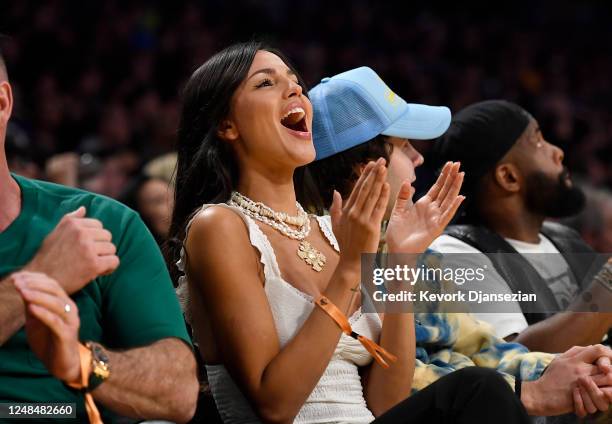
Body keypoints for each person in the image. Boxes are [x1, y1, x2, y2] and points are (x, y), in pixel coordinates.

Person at [169, 41, 536, 424]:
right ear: (226, 125)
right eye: (266, 83)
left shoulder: (331, 231)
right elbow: (274, 405)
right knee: (479, 392)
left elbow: (386, 404)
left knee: (479, 391)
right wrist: (347, 271)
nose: (295, 90)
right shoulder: (221, 226)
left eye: (295, 82)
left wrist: (401, 268)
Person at [304, 66, 612, 419]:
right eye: (405, 146)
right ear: (365, 169)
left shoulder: (416, 251)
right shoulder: (318, 256)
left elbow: (483, 348)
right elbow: (391, 387)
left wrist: (574, 370)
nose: (420, 158)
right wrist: (526, 390)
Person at [0, 49, 199, 422]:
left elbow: (178, 390)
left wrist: (82, 361)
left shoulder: (100, 223)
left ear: (1, 103)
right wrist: (43, 275)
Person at [428, 100, 612, 353]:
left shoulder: (563, 238)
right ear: (508, 177)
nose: (557, 152)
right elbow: (514, 359)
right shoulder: (454, 252)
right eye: (538, 141)